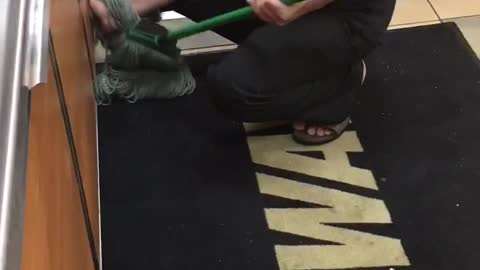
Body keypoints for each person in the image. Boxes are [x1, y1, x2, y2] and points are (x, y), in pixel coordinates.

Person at [90, 0, 396, 145]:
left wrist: (293, 10)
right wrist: (124, 9)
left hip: (345, 15)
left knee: (232, 89)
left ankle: (340, 83)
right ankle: (284, 52)